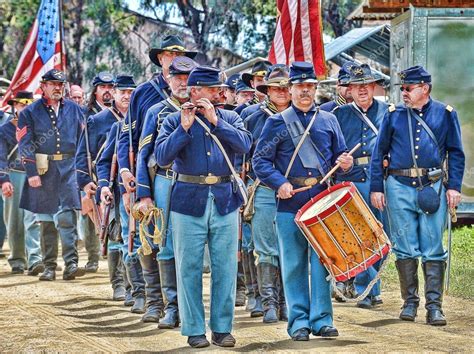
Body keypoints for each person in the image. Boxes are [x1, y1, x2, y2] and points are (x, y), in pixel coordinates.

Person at [253, 61, 352, 341]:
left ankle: (322, 320)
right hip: (290, 203)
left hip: (322, 201)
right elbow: (260, 161)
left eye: (310, 86)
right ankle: (298, 322)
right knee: (294, 263)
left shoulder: (329, 120)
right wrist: (279, 183)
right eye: (300, 86)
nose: (305, 91)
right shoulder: (276, 122)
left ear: (316, 88)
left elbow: (341, 155)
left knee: (322, 262)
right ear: (291, 89)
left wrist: (345, 162)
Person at [155, 66, 251, 348]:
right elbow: (161, 157)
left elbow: (245, 145)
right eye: (212, 89)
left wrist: (216, 122)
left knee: (225, 267)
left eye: (220, 89)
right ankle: (194, 328)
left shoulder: (231, 117)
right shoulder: (174, 120)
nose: (219, 94)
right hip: (187, 199)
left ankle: (222, 328)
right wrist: (184, 129)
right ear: (195, 91)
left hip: (224, 198)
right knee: (189, 267)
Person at [370, 65, 465, 326]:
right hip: (398, 186)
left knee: (434, 247)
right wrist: (377, 187)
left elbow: (456, 152)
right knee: (405, 247)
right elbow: (379, 153)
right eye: (402, 88)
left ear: (425, 88)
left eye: (409, 88)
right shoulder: (393, 115)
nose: (404, 93)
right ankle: (409, 303)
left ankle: (434, 307)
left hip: (432, 186)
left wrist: (454, 186)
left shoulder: (445, 114)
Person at [118, 34, 197, 322]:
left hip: (193, 181)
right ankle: (158, 303)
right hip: (158, 176)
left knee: (187, 245)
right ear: (160, 59)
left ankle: (186, 307)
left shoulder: (201, 100)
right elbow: (135, 145)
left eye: (180, 56)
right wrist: (140, 190)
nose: (175, 61)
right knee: (155, 239)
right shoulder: (147, 97)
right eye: (169, 56)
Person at [17, 69, 86, 281]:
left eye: (60, 84)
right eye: (53, 84)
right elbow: (24, 144)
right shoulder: (29, 112)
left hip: (68, 170)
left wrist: (82, 170)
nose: (57, 88)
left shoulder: (75, 109)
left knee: (67, 218)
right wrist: (31, 173)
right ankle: (49, 267)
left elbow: (83, 141)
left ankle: (71, 264)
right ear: (43, 86)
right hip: (43, 171)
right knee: (46, 221)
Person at [332, 62, 388, 309]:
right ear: (350, 90)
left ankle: (372, 284)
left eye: (366, 85)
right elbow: (330, 150)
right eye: (357, 86)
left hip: (381, 180)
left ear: (374, 86)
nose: (362, 90)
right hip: (352, 180)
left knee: (381, 233)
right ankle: (367, 288)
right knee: (358, 235)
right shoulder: (338, 115)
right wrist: (341, 161)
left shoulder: (389, 112)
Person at [76, 75, 137, 301]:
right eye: (123, 93)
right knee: (114, 234)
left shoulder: (138, 117)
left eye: (131, 93)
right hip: (108, 185)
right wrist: (85, 182)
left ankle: (134, 285)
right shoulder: (99, 120)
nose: (127, 97)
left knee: (133, 235)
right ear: (116, 95)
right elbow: (84, 154)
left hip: (133, 185)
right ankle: (118, 284)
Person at [244, 65, 291, 323]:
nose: (281, 92)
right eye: (275, 88)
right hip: (263, 189)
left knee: (289, 248)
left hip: (295, 190)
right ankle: (269, 302)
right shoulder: (253, 118)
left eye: (285, 88)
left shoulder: (304, 117)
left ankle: (286, 302)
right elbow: (244, 156)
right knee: (265, 248)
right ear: (268, 91)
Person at [0, 91, 42, 275]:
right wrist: (4, 180)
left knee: (33, 218)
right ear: (15, 107)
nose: (24, 107)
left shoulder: (39, 127)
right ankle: (17, 259)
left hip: (35, 175)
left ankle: (35, 258)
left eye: (28, 104)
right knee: (14, 220)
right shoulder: (5, 130)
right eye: (21, 104)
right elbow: (1, 157)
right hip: (14, 176)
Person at [80, 71, 115, 273]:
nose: (108, 91)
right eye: (103, 87)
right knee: (90, 213)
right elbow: (81, 149)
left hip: (114, 172)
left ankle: (112, 256)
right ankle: (93, 256)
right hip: (93, 170)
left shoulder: (121, 113)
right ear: (96, 90)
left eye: (111, 87)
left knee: (110, 217)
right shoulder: (86, 114)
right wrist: (84, 178)